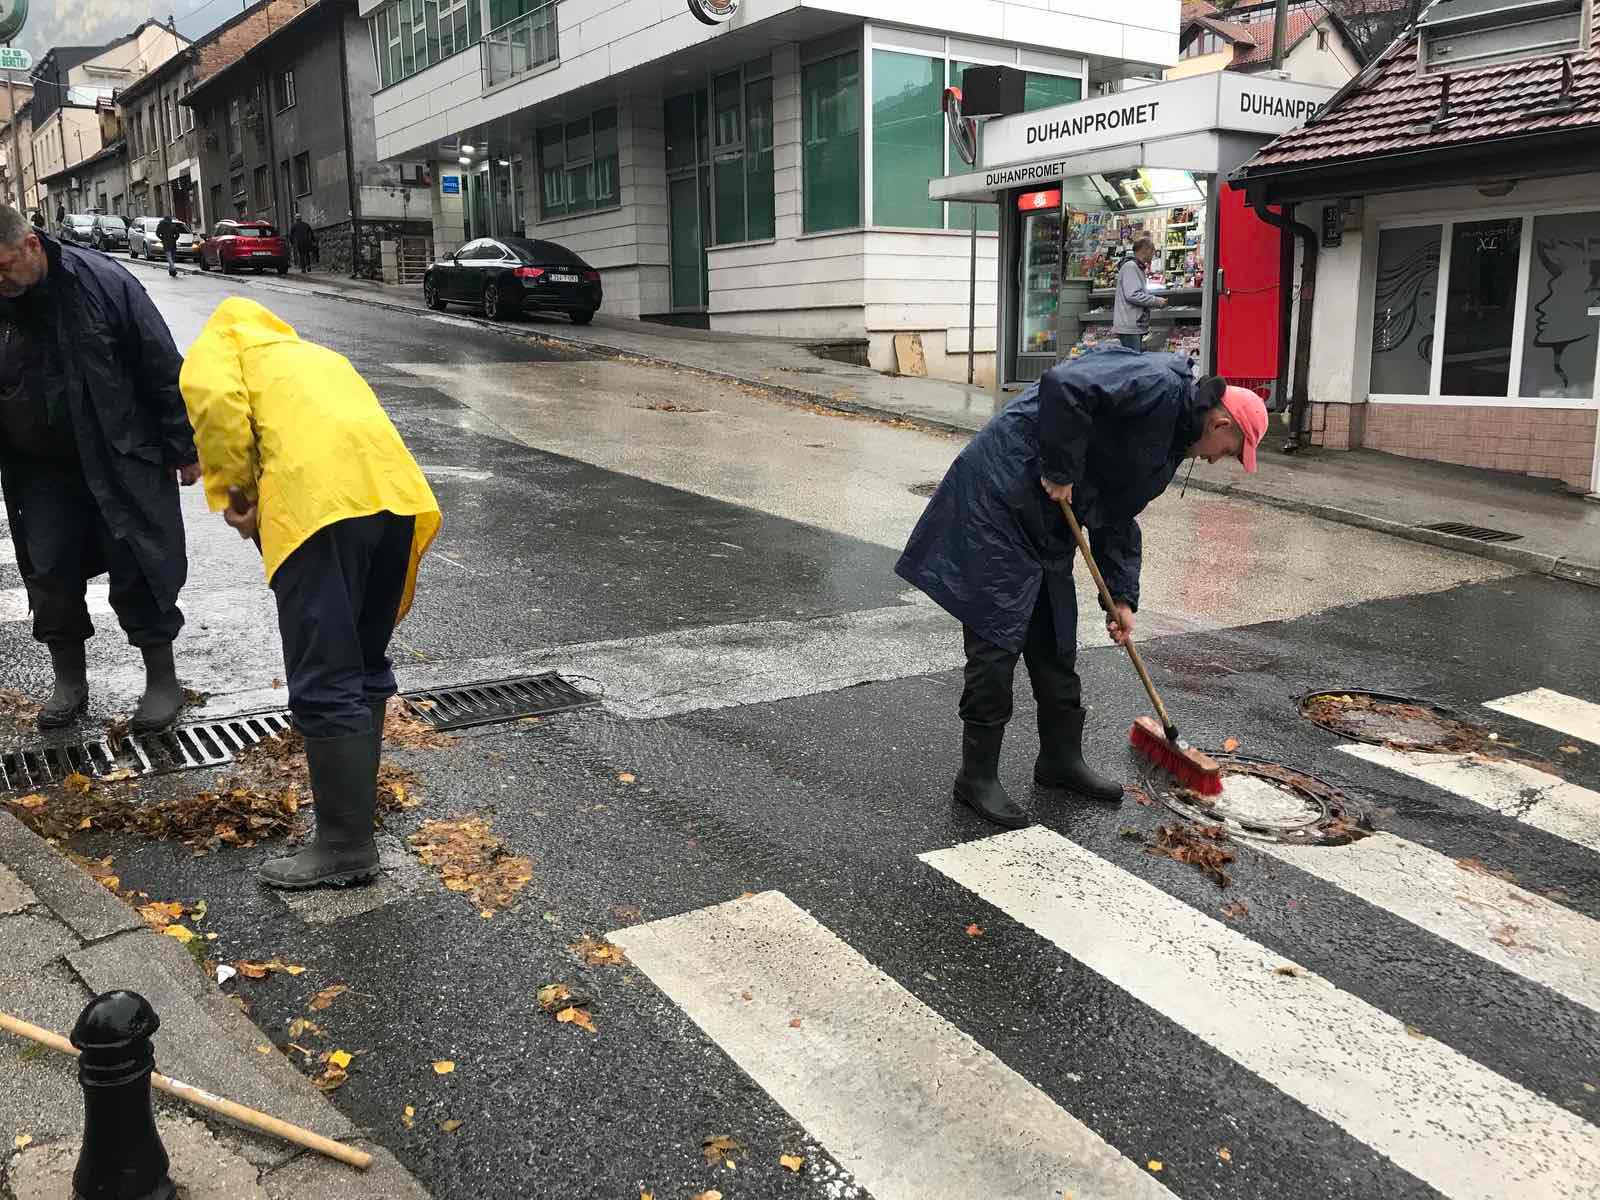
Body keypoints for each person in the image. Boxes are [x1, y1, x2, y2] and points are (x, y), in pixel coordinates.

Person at [895, 346, 1267, 829]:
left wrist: (1122, 595)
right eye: (1233, 451)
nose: (1223, 461)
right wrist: (1060, 468)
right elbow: (1064, 386)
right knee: (996, 640)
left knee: (1055, 640)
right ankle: (977, 776)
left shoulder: (1168, 449)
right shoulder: (1156, 381)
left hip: (1048, 522)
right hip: (999, 500)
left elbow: (1115, 514)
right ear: (1221, 424)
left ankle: (1059, 761)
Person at [180, 298, 441, 890]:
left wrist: (235, 494)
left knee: (325, 671)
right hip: (393, 502)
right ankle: (354, 830)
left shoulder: (218, 349)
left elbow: (219, 411)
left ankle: (345, 846)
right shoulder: (313, 356)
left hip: (321, 512)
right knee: (364, 661)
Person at [0, 204, 201, 731]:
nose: (0, 282)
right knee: (50, 570)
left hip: (120, 455)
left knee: (139, 562)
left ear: (31, 246)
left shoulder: (104, 283)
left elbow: (160, 364)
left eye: (3, 268)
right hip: (38, 468)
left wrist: (183, 447)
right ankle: (69, 681)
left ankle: (162, 680)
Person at [1111, 237, 1167, 351]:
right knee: (1133, 363)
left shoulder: (1137, 267)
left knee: (1133, 362)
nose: (1153, 255)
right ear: (1145, 250)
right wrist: (1156, 301)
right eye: (1153, 251)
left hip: (1133, 325)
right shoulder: (1131, 267)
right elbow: (1132, 294)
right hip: (1129, 326)